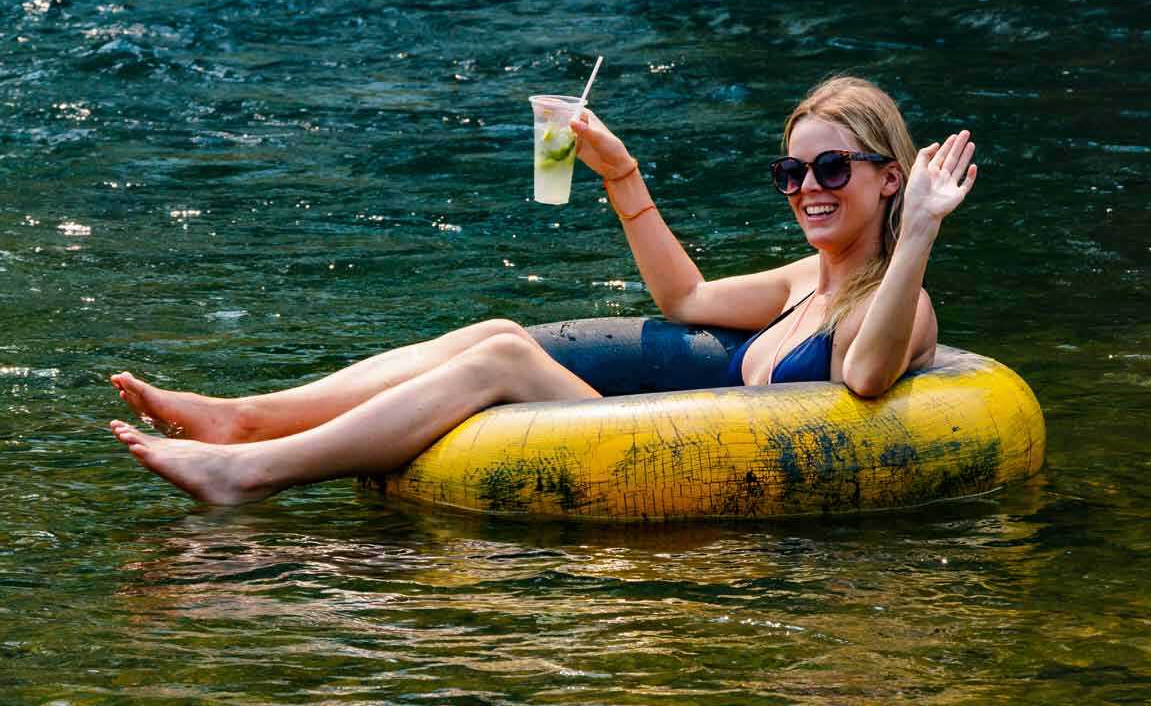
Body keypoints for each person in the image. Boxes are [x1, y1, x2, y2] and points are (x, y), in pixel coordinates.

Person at [108, 75, 977, 504]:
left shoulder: (900, 305)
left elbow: (865, 380)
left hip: (696, 468)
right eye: (791, 170)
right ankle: (246, 417)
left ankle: (251, 473)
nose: (807, 187)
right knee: (495, 327)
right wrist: (620, 171)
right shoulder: (803, 282)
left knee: (502, 357)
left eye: (831, 167)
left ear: (890, 179)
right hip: (680, 441)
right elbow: (688, 302)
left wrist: (925, 233)